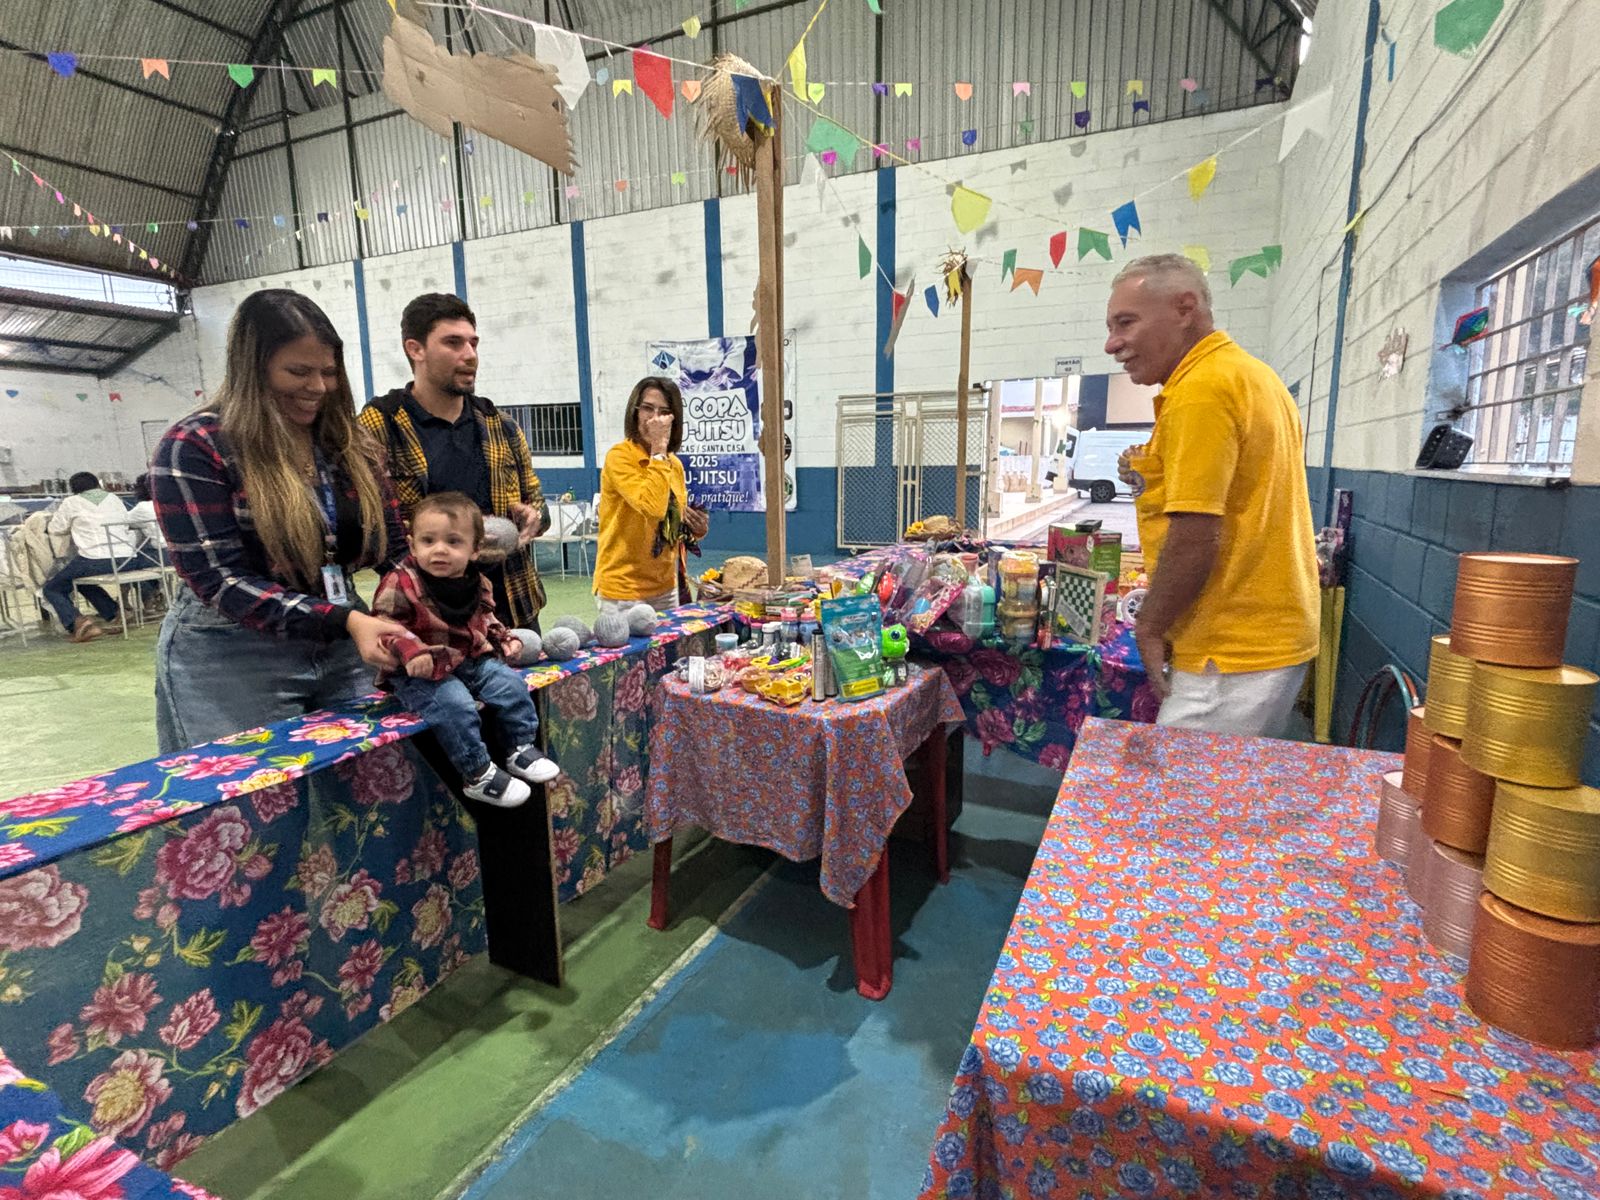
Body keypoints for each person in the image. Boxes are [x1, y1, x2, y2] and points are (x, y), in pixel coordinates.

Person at [150, 289, 412, 752]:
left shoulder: (350, 444)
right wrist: (347, 621)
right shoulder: (195, 446)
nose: (319, 387)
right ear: (252, 368)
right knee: (247, 786)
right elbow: (219, 579)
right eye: (298, 371)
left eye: (328, 372)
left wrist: (443, 595)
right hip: (231, 650)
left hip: (345, 634)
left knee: (370, 772)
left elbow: (394, 547)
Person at [1102, 253, 1318, 737]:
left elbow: (1196, 536)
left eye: (1126, 323)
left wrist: (1150, 625)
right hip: (1265, 636)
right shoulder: (1250, 375)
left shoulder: (1201, 390)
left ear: (1185, 309)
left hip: (1231, 648)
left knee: (1179, 782)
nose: (1112, 343)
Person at [359, 293, 550, 631]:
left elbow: (538, 505)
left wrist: (533, 516)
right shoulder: (380, 426)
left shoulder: (501, 425)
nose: (470, 355)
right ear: (415, 349)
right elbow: (371, 531)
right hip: (429, 619)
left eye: (473, 343)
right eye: (453, 343)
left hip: (513, 608)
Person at [373, 492, 559, 808]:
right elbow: (383, 626)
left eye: (453, 542)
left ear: (475, 549)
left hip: (466, 658)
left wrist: (502, 637)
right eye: (428, 540)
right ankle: (477, 773)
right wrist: (410, 650)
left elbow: (485, 618)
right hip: (420, 670)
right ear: (412, 544)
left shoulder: (479, 582)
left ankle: (520, 747)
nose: (439, 549)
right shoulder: (400, 581)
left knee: (510, 683)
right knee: (455, 703)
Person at [593, 377, 708, 617]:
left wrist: (695, 530)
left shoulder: (674, 465)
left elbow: (669, 524)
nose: (655, 418)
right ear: (635, 412)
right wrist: (658, 450)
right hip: (624, 591)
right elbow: (653, 508)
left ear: (674, 419)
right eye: (647, 408)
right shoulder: (619, 457)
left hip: (666, 587)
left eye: (664, 412)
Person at [42, 471, 140, 642]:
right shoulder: (114, 498)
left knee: (52, 588)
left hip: (96, 559)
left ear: (73, 489)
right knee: (80, 581)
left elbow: (56, 529)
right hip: (128, 557)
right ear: (97, 484)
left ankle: (78, 623)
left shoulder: (72, 502)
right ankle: (115, 612)